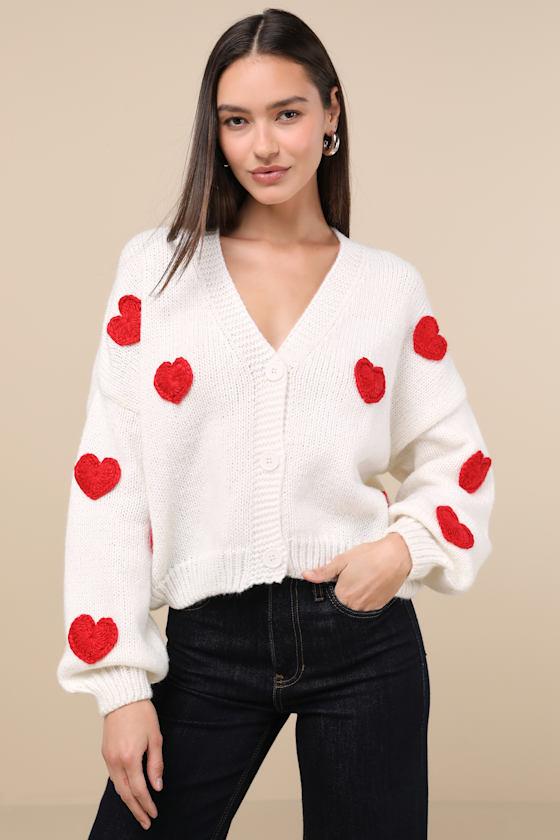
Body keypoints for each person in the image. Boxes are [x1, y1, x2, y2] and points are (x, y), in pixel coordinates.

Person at [56, 8, 495, 839]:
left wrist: (402, 550)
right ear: (215, 132)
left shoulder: (388, 288)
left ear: (331, 114)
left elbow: (459, 460)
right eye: (237, 121)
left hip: (363, 641)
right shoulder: (156, 272)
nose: (263, 145)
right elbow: (109, 480)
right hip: (206, 641)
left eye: (287, 114)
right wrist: (119, 686)